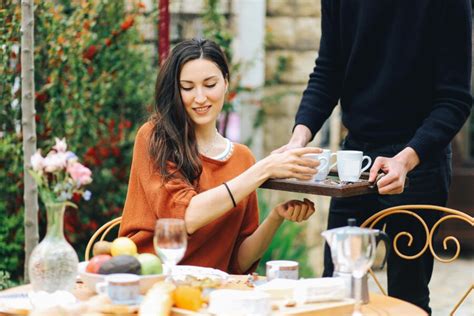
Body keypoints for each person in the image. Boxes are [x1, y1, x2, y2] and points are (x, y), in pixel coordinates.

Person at [274, 0, 472, 313]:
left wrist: (406, 159)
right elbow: (328, 71)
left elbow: (455, 98)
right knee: (337, 291)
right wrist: (299, 138)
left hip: (418, 163)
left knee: (406, 299)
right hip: (356, 160)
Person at [119, 38, 322, 274]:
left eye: (210, 84)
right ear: (175, 90)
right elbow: (186, 216)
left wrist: (276, 217)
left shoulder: (242, 158)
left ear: (226, 83)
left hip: (209, 292)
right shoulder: (155, 138)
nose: (200, 97)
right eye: (187, 87)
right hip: (147, 281)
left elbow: (238, 262)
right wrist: (263, 169)